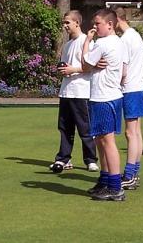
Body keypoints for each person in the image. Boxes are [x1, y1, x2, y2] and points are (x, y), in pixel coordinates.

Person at [82, 9, 125, 201]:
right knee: (100, 140)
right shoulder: (118, 43)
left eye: (98, 24)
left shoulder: (103, 42)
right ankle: (105, 180)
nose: (95, 27)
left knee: (107, 142)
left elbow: (84, 64)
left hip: (104, 98)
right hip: (108, 96)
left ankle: (116, 187)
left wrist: (86, 42)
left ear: (110, 24)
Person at [50, 10, 99, 173]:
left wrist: (73, 70)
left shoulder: (87, 41)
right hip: (66, 92)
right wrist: (63, 69)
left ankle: (90, 160)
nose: (65, 26)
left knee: (85, 128)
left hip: (81, 92)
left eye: (67, 23)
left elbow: (91, 66)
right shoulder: (68, 44)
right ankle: (64, 159)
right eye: (64, 23)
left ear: (77, 22)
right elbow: (66, 65)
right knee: (65, 128)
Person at [114, 7, 143, 189]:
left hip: (130, 89)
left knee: (130, 133)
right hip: (138, 87)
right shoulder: (135, 35)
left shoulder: (125, 40)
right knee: (136, 132)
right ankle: (133, 173)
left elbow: (123, 71)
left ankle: (129, 175)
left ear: (117, 20)